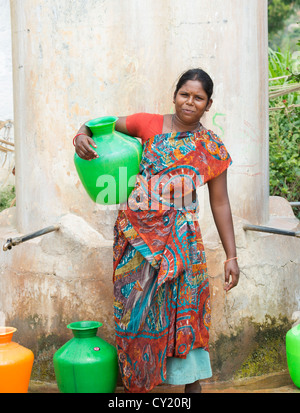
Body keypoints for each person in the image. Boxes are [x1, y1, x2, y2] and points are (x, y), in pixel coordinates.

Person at [74, 68, 240, 393]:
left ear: (208, 105)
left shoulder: (211, 147)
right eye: (185, 94)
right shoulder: (147, 124)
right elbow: (97, 124)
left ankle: (191, 388)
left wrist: (232, 256)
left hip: (182, 244)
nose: (189, 102)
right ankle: (137, 385)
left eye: (199, 98)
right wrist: (80, 135)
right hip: (136, 242)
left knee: (186, 312)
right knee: (134, 314)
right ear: (175, 94)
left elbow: (220, 204)